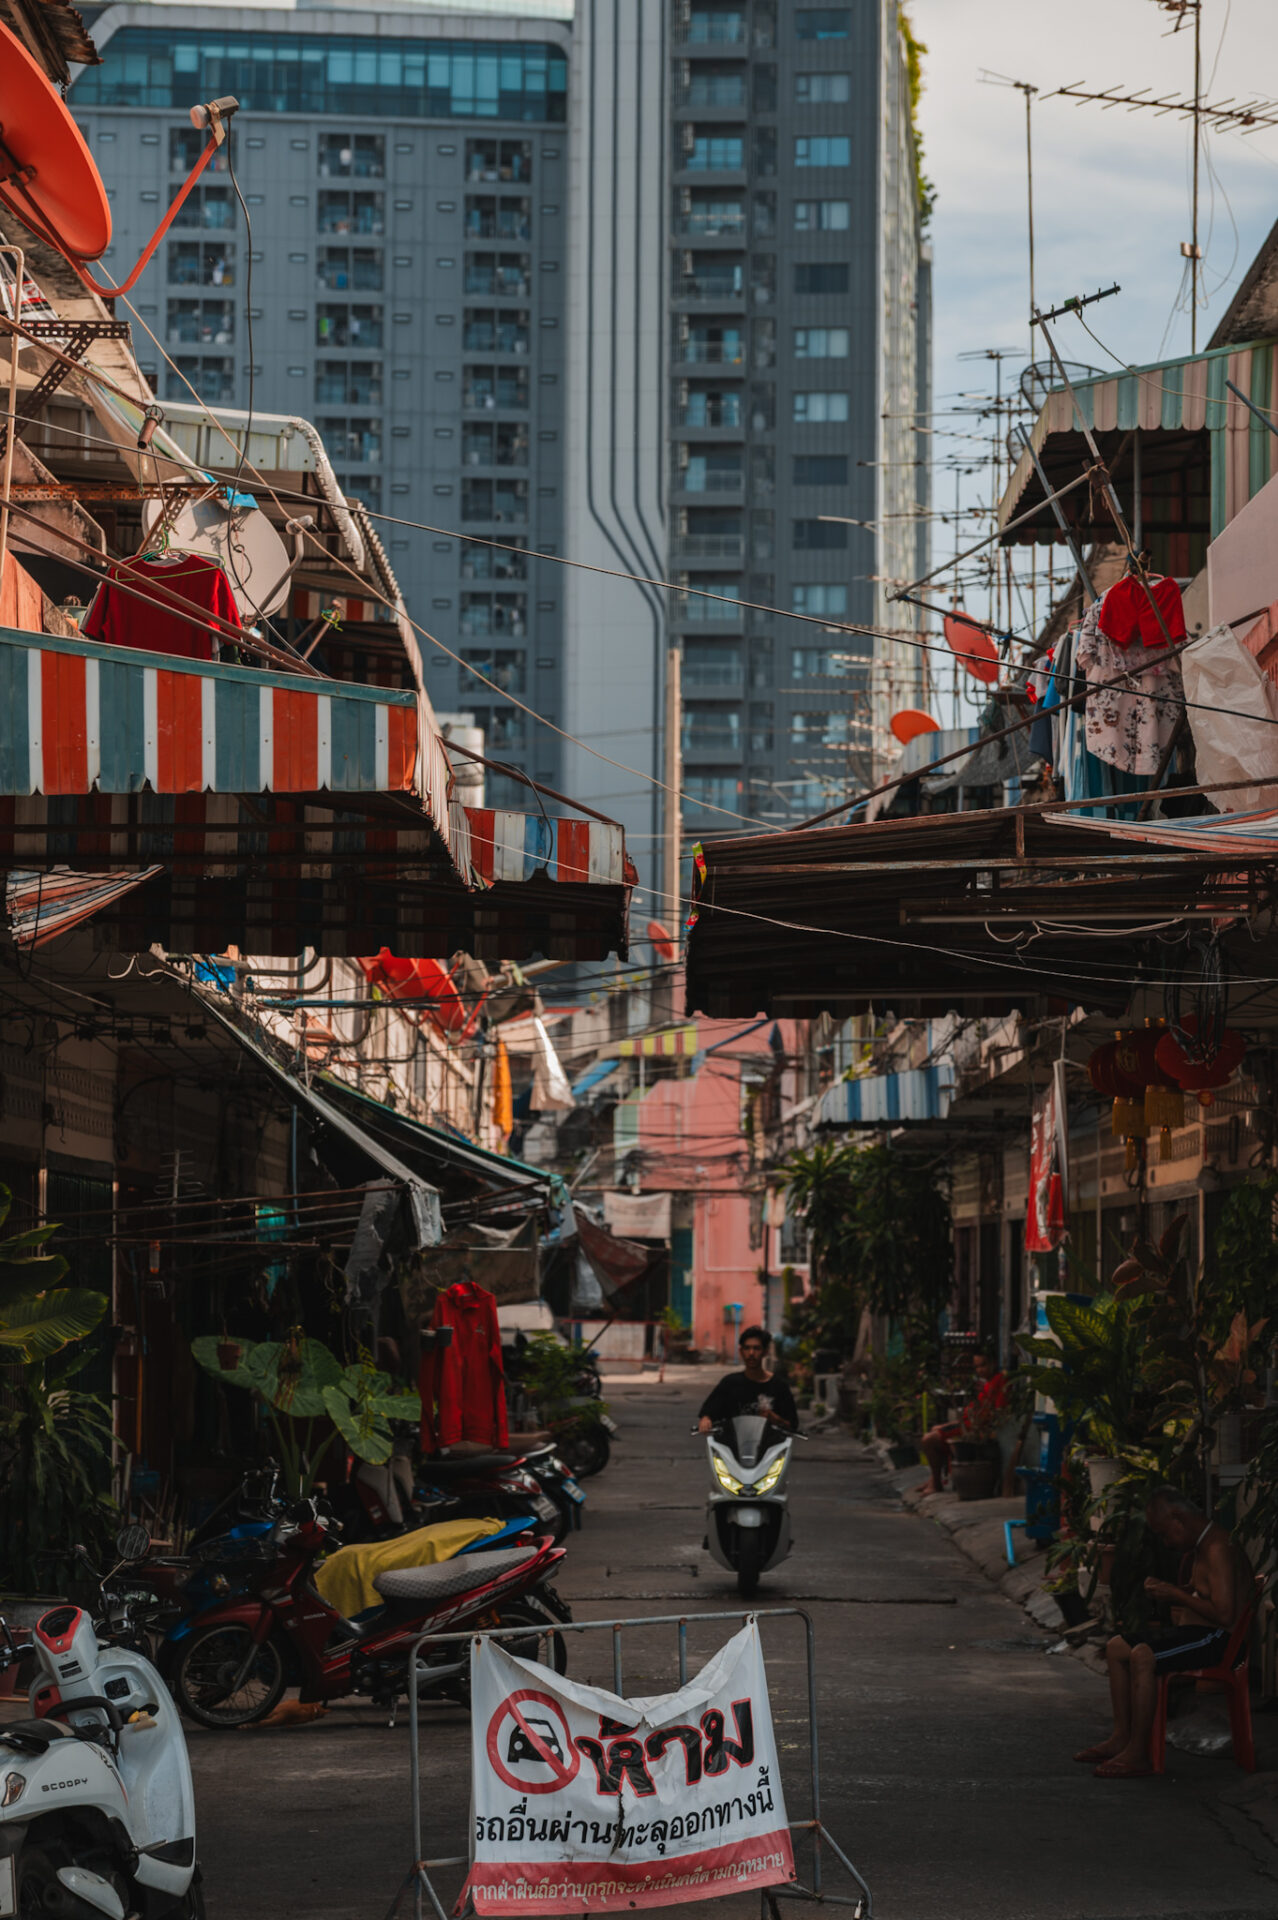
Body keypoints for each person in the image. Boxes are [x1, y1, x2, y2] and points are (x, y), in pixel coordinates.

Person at [1077, 1485, 1256, 1779]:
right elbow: (1207, 1594)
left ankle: (1138, 1752)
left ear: (1179, 1520)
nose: (1166, 1542)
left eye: (1164, 1533)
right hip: (1201, 1634)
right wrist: (1180, 1592)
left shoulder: (1218, 1548)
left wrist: (1175, 1594)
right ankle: (1121, 1737)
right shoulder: (1204, 1545)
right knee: (1116, 1646)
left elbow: (1225, 1615)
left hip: (1221, 1641)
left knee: (1143, 1656)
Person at [918, 1345, 1006, 1495]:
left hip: (975, 1428)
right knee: (934, 1430)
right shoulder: (987, 1383)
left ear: (993, 1363)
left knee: (928, 1439)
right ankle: (934, 1478)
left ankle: (936, 1482)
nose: (979, 1370)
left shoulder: (1000, 1380)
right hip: (968, 1424)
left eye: (983, 1365)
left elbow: (997, 1412)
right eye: (977, 1367)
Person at [697, 1326, 797, 1433]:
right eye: (747, 1348)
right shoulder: (730, 1383)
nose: (751, 1353)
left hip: (769, 1447)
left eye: (756, 1348)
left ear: (765, 1352)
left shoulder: (779, 1386)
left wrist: (774, 1418)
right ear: (741, 1351)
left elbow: (792, 1424)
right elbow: (710, 1410)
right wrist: (706, 1419)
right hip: (735, 1446)